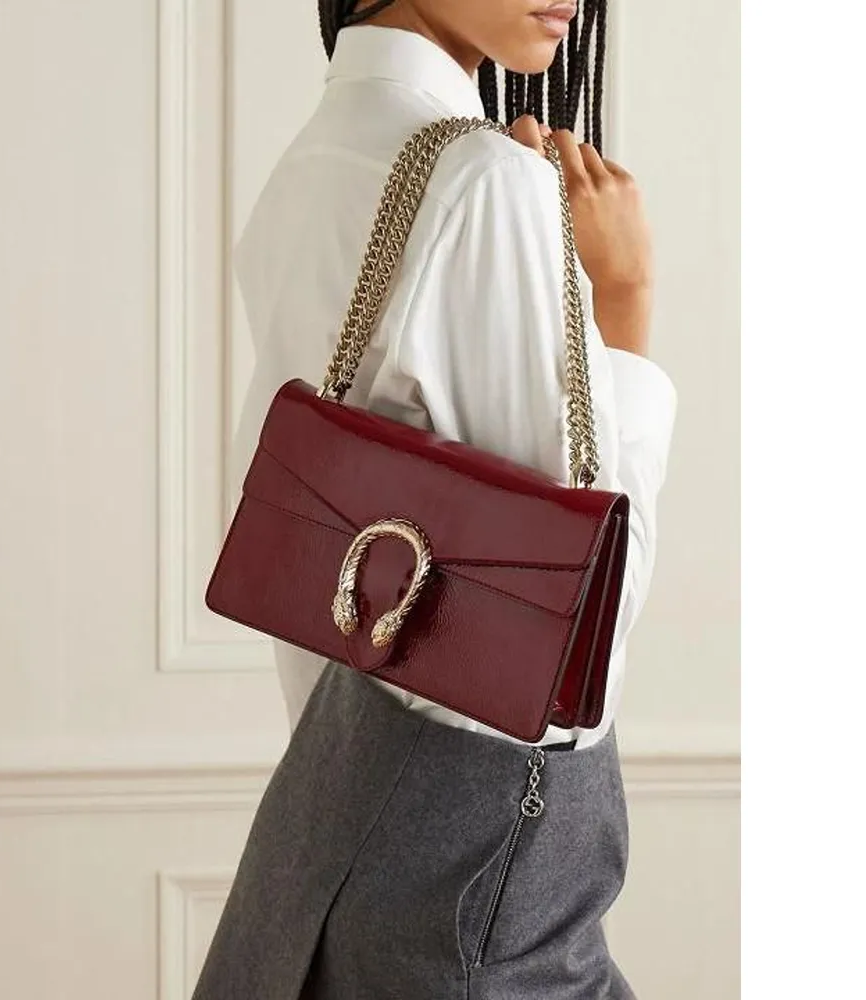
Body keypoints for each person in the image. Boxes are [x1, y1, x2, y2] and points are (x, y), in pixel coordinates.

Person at [194, 2, 678, 998]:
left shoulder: (322, 151)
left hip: (327, 826)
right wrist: (624, 302)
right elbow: (576, 656)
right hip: (475, 881)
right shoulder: (487, 182)